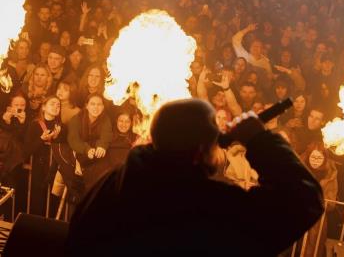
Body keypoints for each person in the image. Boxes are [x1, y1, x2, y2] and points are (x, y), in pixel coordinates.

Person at [66, 98, 324, 256]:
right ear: (201, 151)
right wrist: (260, 139)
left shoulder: (112, 185)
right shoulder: (210, 206)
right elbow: (304, 199)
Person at [24, 95, 65, 216]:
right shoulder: (34, 125)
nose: (56, 107)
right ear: (43, 107)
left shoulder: (61, 127)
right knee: (37, 204)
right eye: (52, 104)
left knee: (52, 204)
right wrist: (41, 139)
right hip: (38, 170)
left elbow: (64, 150)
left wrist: (57, 139)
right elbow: (26, 151)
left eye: (58, 105)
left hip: (55, 171)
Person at [67, 93, 112, 192]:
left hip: (96, 153)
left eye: (99, 104)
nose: (96, 107)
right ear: (87, 106)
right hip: (80, 152)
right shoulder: (76, 119)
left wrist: (102, 146)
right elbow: (73, 140)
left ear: (103, 107)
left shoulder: (105, 119)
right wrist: (86, 149)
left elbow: (106, 134)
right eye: (93, 104)